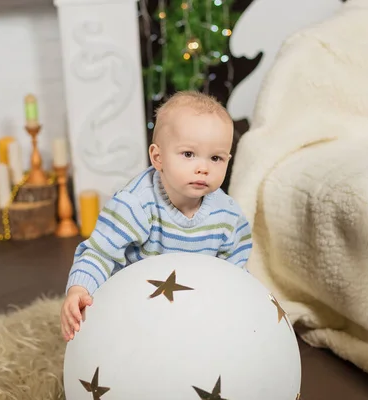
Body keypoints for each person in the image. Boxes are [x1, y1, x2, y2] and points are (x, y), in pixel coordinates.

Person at [60, 91, 253, 341]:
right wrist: (79, 290)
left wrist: (241, 307)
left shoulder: (228, 215)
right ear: (157, 157)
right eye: (188, 154)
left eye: (215, 158)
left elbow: (235, 273)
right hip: (137, 305)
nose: (203, 168)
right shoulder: (135, 204)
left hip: (197, 308)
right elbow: (100, 253)